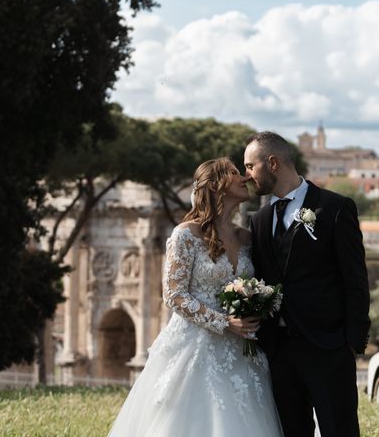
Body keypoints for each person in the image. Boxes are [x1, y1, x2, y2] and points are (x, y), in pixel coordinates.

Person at [108, 158, 283, 437]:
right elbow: (174, 295)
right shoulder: (186, 235)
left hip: (242, 350)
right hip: (194, 346)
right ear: (216, 185)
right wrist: (225, 322)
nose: (245, 178)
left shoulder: (247, 238)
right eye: (236, 173)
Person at [244, 132, 371, 437]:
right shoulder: (259, 219)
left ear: (272, 162)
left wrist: (351, 342)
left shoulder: (336, 208)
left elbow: (355, 279)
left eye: (250, 166)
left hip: (328, 348)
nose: (245, 174)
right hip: (278, 351)